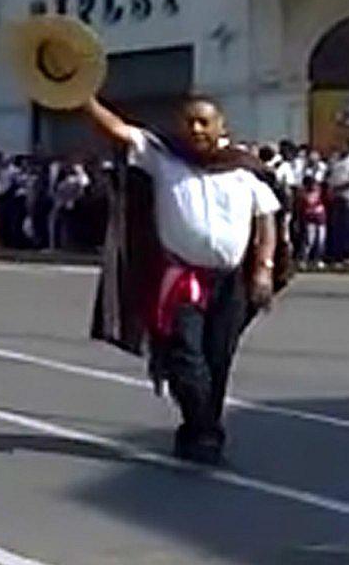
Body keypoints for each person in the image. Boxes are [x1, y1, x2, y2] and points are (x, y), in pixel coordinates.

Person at [84, 94, 285, 465]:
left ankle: (196, 431)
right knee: (186, 355)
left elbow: (266, 219)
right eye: (189, 121)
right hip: (181, 278)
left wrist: (264, 268)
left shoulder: (244, 168)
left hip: (231, 281)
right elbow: (118, 129)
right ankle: (207, 430)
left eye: (204, 122)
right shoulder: (163, 157)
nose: (196, 129)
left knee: (217, 358)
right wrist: (81, 97)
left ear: (221, 126)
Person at [296, 176, 327, 269]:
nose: (313, 186)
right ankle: (303, 260)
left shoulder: (319, 191)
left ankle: (318, 259)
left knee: (321, 240)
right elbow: (307, 204)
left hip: (321, 219)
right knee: (309, 241)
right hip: (310, 219)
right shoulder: (303, 194)